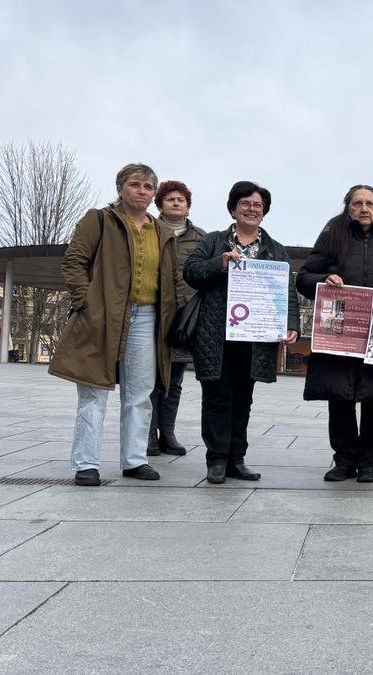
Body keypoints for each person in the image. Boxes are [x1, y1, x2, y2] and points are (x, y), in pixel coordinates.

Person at [50, 163, 178, 486]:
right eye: (135, 184)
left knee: (140, 393)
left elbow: (170, 279)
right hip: (103, 315)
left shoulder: (163, 232)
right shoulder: (99, 220)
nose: (142, 191)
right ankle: (86, 463)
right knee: (93, 392)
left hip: (147, 318)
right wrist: (87, 303)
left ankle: (135, 460)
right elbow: (73, 262)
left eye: (148, 187)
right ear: (121, 188)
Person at [183, 181, 300, 484]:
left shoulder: (275, 250)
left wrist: (292, 325)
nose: (252, 209)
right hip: (217, 335)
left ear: (264, 212)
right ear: (233, 208)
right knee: (217, 396)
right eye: (245, 203)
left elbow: (286, 292)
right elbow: (191, 273)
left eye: (258, 205)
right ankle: (216, 459)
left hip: (255, 337)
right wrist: (219, 264)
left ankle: (237, 458)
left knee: (243, 399)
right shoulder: (213, 241)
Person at [297, 185, 373, 483]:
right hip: (339, 327)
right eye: (357, 203)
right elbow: (305, 277)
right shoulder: (332, 236)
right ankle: (344, 458)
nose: (364, 208)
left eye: (370, 203)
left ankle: (368, 459)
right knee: (340, 394)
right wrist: (324, 278)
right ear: (348, 207)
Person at [147, 180, 206, 458]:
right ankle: (147, 435)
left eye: (181, 199)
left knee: (176, 380)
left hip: (184, 320)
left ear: (188, 206)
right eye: (169, 199)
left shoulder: (202, 238)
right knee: (149, 379)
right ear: (160, 204)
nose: (176, 203)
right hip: (151, 314)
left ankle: (167, 433)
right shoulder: (147, 231)